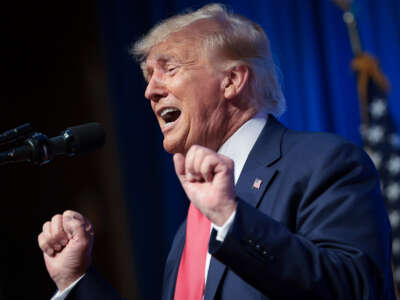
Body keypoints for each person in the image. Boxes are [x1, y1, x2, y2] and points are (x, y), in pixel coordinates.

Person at [38, 3, 396, 299]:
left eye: (169, 68)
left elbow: (354, 289)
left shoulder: (324, 162)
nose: (150, 91)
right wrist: (76, 282)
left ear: (232, 80)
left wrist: (231, 218)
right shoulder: (188, 232)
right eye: (148, 76)